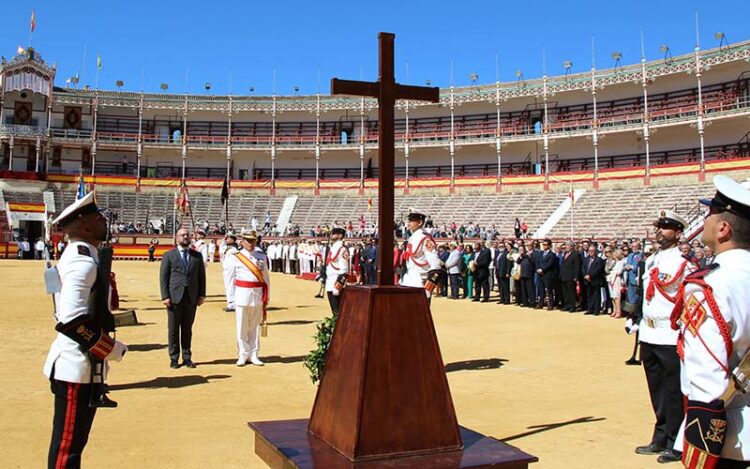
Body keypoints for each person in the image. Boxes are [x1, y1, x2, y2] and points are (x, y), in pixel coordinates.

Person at [666, 176, 750, 467]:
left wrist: (700, 457)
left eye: (710, 213)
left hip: (732, 435)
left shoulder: (708, 286)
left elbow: (708, 383)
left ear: (724, 228)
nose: (705, 218)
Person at [44, 191, 128, 468]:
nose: (105, 220)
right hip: (75, 366)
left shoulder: (83, 255)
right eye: (98, 216)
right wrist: (111, 349)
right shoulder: (81, 261)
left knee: (74, 446)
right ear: (86, 227)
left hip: (81, 366)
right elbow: (71, 319)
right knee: (67, 449)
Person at [636, 209, 695, 464]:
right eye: (659, 227)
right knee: (656, 388)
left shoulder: (683, 263)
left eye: (666, 227)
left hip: (670, 335)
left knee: (673, 391)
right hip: (649, 332)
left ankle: (675, 440)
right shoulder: (653, 260)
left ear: (678, 233)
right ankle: (659, 436)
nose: (660, 231)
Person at [159, 227, 206, 369]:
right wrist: (165, 296)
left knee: (187, 329)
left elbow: (201, 277)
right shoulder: (169, 255)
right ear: (177, 238)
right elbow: (163, 277)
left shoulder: (197, 256)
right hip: (174, 298)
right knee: (173, 330)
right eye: (182, 235)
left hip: (191, 297)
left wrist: (202, 295)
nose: (185, 237)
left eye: (187, 235)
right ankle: (174, 358)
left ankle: (187, 357)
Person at [228, 230, 269, 366]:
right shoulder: (235, 256)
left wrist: (267, 296)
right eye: (248, 240)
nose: (251, 243)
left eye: (253, 241)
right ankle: (243, 354)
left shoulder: (261, 256)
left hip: (257, 295)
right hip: (242, 295)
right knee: (242, 327)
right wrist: (231, 299)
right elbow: (230, 278)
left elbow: (266, 277)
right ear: (242, 242)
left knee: (255, 327)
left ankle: (254, 354)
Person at [400, 208, 442, 298]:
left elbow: (436, 265)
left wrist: (428, 288)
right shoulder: (412, 238)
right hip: (409, 278)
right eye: (409, 220)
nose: (409, 223)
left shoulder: (425, 238)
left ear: (420, 223)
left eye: (412, 220)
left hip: (420, 281)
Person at [324, 227, 349, 314]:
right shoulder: (333, 247)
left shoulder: (342, 249)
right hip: (330, 281)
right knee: (334, 310)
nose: (331, 235)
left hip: (336, 282)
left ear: (340, 235)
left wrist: (338, 286)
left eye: (333, 233)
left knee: (338, 310)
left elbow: (344, 270)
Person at [582, 245, 605, 315]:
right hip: (587, 280)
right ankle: (590, 309)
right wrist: (585, 275)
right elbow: (583, 268)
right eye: (590, 251)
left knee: (596, 295)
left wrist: (590, 276)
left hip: (595, 280)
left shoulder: (599, 260)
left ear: (595, 251)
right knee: (589, 295)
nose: (591, 252)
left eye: (592, 251)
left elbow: (597, 270)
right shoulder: (586, 259)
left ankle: (596, 310)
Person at [535, 239, 557, 310]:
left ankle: (550, 304)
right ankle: (541, 303)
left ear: (549, 246)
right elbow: (537, 262)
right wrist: (538, 269)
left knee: (549, 290)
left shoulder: (552, 254)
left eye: (545, 244)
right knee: (541, 290)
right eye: (543, 244)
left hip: (548, 275)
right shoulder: (540, 253)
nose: (544, 246)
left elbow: (549, 264)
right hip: (540, 274)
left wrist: (542, 269)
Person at [559, 240, 581, 312]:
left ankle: (572, 306)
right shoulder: (565, 253)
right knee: (565, 292)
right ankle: (567, 305)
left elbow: (577, 266)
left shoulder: (575, 254)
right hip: (564, 276)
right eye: (566, 245)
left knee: (571, 292)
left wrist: (576, 277)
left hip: (571, 276)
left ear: (572, 246)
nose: (566, 247)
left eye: (568, 245)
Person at [221, 234, 239, 312]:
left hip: (231, 270)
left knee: (230, 286)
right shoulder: (229, 249)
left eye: (228, 238)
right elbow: (221, 249)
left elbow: (233, 262)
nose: (226, 240)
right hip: (227, 270)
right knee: (228, 286)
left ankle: (232, 304)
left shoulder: (234, 250)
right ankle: (232, 303)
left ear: (232, 240)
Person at [607, 248, 626, 318]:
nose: (613, 255)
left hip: (616, 279)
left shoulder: (621, 262)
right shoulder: (613, 262)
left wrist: (612, 273)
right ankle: (614, 310)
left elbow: (619, 271)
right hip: (611, 279)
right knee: (612, 296)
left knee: (616, 296)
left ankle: (619, 311)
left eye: (615, 254)